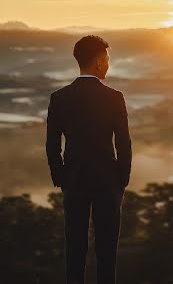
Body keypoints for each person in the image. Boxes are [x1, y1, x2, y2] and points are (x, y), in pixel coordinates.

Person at [46, 35, 132, 284]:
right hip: (109, 180)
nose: (108, 64)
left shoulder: (60, 97)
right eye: (107, 59)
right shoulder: (114, 97)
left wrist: (60, 177)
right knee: (107, 250)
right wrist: (122, 179)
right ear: (98, 62)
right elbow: (123, 143)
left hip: (73, 179)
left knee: (75, 247)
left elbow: (53, 144)